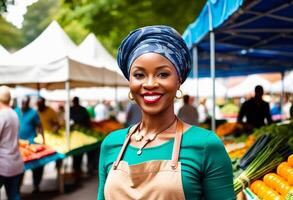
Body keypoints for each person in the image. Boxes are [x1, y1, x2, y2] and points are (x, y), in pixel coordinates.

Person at [97, 25, 235, 200]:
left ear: (179, 81)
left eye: (162, 74)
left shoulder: (206, 145)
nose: (150, 84)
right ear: (130, 82)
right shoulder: (111, 144)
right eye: (139, 75)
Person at [15, 96, 44, 193]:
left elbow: (40, 126)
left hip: (31, 143)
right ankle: (17, 188)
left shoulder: (33, 113)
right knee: (19, 168)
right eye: (22, 103)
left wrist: (42, 140)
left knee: (37, 166)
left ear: (28, 103)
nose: (23, 105)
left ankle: (36, 185)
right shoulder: (16, 111)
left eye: (25, 103)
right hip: (18, 144)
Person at [0, 86, 24, 200]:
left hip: (3, 164)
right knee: (14, 195)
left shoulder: (1, 115)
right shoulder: (14, 114)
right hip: (15, 162)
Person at [70, 97, 96, 178]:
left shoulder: (81, 110)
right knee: (78, 156)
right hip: (77, 135)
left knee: (83, 154)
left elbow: (88, 122)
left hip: (83, 135)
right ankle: (78, 170)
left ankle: (84, 169)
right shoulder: (72, 110)